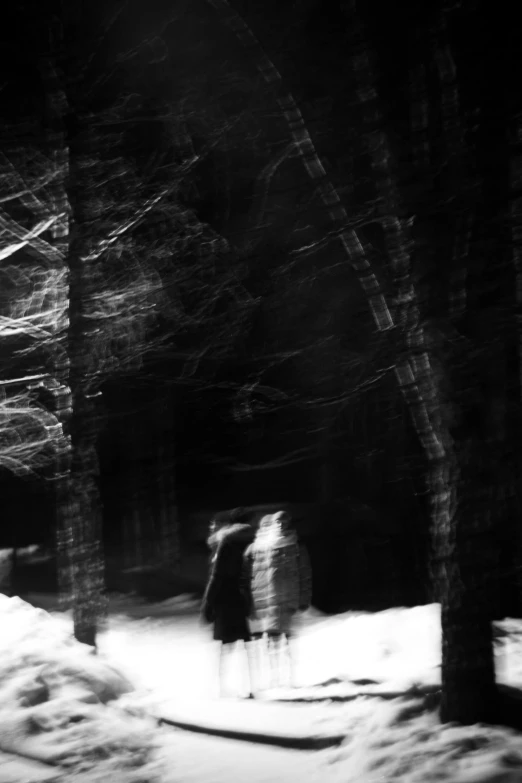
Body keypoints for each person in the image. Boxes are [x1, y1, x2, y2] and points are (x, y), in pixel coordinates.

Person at [243, 510, 312, 690]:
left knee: (286, 639)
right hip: (265, 602)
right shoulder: (258, 548)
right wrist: (251, 602)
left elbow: (305, 575)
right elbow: (252, 577)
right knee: (271, 640)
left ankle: (287, 677)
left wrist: (304, 598)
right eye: (277, 522)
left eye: (284, 522)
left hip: (287, 600)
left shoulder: (295, 546)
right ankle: (275, 676)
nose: (280, 525)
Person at [201, 509, 256, 698]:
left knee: (226, 646)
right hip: (244, 599)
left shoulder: (226, 543)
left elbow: (217, 576)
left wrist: (207, 605)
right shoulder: (250, 539)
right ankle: (248, 688)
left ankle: (223, 688)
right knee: (244, 644)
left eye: (213, 525)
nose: (212, 528)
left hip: (226, 600)